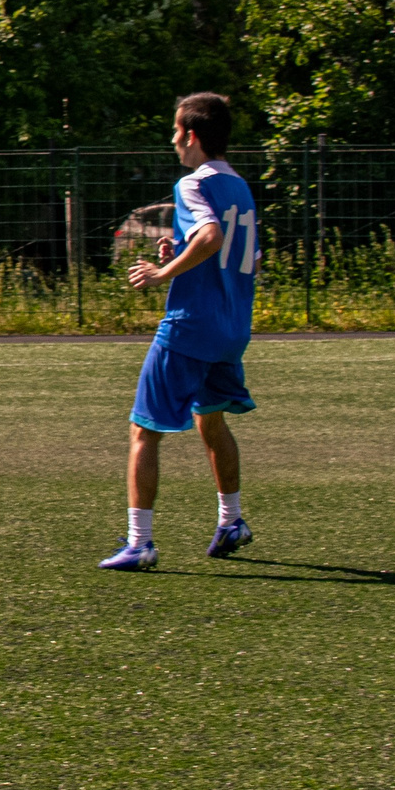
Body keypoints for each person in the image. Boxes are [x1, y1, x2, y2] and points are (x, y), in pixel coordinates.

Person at [101, 93, 258, 571]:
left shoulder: (192, 184)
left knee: (143, 430)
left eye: (175, 132)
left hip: (191, 326)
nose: (172, 141)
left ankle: (139, 542)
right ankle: (231, 520)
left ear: (192, 136)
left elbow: (211, 238)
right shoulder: (241, 188)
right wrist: (180, 252)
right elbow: (230, 252)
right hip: (231, 328)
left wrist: (161, 274)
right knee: (210, 421)